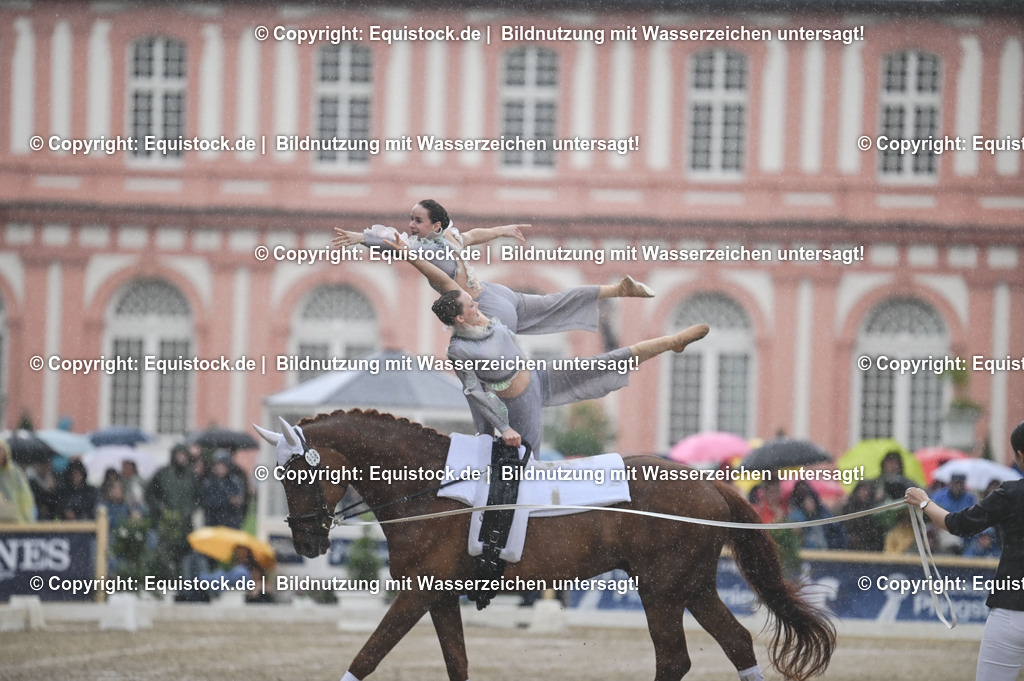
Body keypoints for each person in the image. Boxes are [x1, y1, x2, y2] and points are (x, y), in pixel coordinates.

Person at [431, 287, 708, 450]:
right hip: (516, 403)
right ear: (458, 316)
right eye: (470, 305)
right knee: (525, 466)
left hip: (540, 376)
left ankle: (671, 342)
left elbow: (455, 268)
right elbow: (475, 392)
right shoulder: (459, 349)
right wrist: (499, 429)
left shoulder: (490, 319)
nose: (476, 303)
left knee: (601, 363)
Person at [332, 199, 655, 336]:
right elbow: (471, 235)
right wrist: (361, 236)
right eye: (411, 220)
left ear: (436, 224)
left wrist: (501, 230)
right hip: (494, 293)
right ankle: (617, 289)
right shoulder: (449, 238)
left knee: (480, 360)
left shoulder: (421, 248)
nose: (411, 225)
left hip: (482, 309)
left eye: (417, 220)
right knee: (552, 302)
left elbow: (389, 242)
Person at [904, 420, 1024, 681]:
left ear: (1020, 456)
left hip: (1012, 607)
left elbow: (957, 524)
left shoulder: (1011, 493)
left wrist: (923, 502)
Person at [932, 473, 979, 553]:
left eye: (961, 483)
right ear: (950, 483)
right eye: (956, 483)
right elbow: (930, 513)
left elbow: (975, 516)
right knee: (952, 543)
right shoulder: (939, 496)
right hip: (944, 528)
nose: (958, 486)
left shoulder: (970, 498)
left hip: (964, 531)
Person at [201, 450, 245, 528]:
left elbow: (239, 500)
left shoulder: (234, 481)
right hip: (213, 523)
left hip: (231, 524)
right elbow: (208, 502)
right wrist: (227, 500)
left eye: (222, 465)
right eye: (218, 465)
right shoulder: (209, 482)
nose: (220, 468)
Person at [841, 480, 885, 551]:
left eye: (865, 490)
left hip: (871, 546)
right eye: (860, 490)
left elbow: (877, 531)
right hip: (851, 546)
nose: (862, 493)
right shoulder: (849, 507)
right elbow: (845, 527)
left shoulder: (876, 508)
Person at [0, 441, 36, 523]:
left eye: (1, 450)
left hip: (15, 520)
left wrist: (27, 517)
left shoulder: (14, 471)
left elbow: (25, 495)